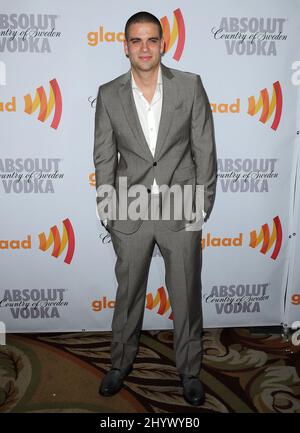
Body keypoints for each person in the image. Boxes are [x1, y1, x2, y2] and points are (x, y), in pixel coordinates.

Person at [93, 11, 217, 406]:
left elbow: (205, 151)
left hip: (181, 210)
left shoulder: (190, 86)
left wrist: (201, 204)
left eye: (151, 40)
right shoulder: (109, 93)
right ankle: (119, 363)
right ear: (125, 45)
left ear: (163, 44)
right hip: (129, 210)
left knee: (185, 294)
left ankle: (189, 371)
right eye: (136, 40)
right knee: (128, 294)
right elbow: (103, 158)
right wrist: (108, 209)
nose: (144, 48)